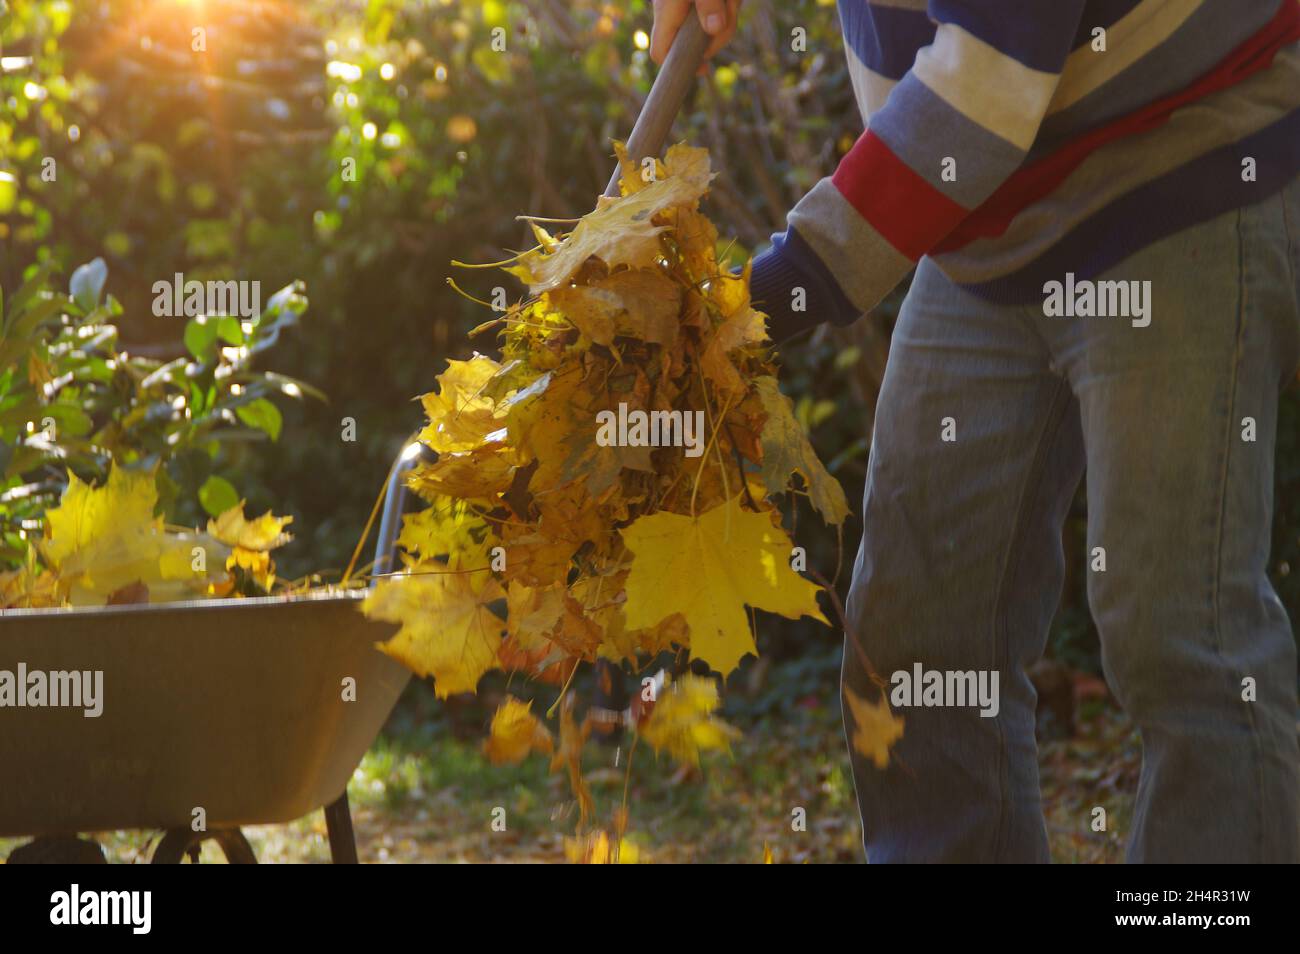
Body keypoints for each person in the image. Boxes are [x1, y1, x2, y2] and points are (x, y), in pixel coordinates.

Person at [651, 0, 1300, 862]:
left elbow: (991, 76)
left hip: (1183, 160)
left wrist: (764, 301)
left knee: (1176, 628)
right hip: (986, 223)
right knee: (921, 631)